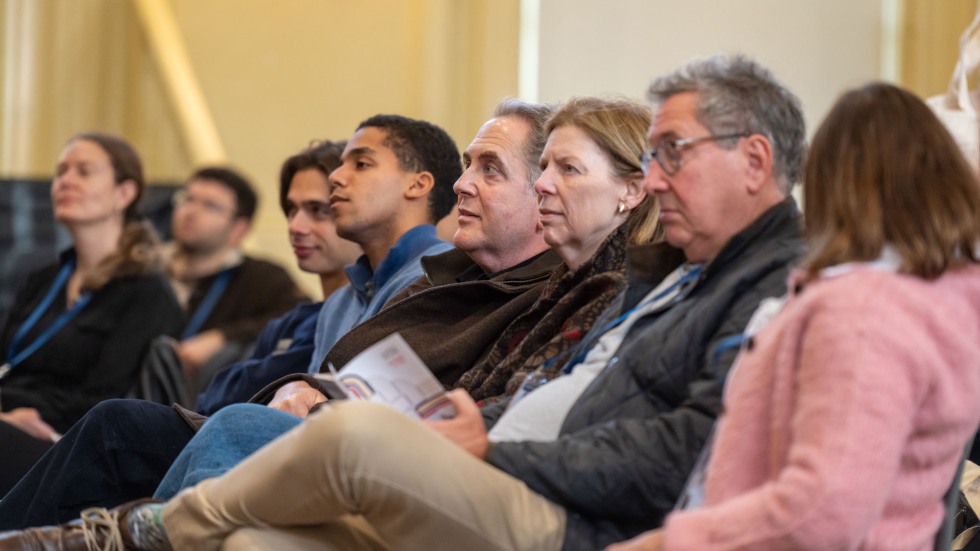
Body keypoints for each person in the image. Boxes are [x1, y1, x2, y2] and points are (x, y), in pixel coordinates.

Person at [0, 54, 809, 550]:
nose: (536, 187)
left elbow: (674, 449)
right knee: (246, 526)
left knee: (277, 427)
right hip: (506, 467)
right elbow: (545, 393)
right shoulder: (663, 282)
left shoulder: (717, 284)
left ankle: (123, 534)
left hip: (546, 501)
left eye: (559, 171)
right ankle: (116, 534)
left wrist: (484, 442)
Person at [0, 113, 465, 528]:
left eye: (360, 164)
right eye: (292, 208)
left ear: (417, 184)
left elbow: (388, 404)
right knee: (126, 426)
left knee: (132, 422)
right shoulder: (343, 302)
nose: (338, 178)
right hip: (294, 438)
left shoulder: (437, 276)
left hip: (353, 455)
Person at [607, 83, 980, 551]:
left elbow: (823, 511)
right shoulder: (940, 303)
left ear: (830, 183)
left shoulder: (864, 314)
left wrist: (670, 542)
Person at [0, 133, 183, 494]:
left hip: (72, 445)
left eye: (84, 171)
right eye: (61, 171)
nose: (65, 181)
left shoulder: (146, 291)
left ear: (124, 194)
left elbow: (102, 402)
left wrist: (13, 412)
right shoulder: (43, 279)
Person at [456, 96, 661, 401]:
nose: (542, 184)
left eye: (568, 169)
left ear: (632, 190)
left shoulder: (628, 292)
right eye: (543, 167)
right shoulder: (565, 283)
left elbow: (538, 413)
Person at [194, 140, 361, 413]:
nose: (295, 226)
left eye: (318, 210)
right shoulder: (293, 322)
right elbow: (214, 398)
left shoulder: (372, 317)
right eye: (292, 209)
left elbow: (235, 395)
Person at [164, 167, 307, 387]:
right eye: (188, 198)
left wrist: (222, 336)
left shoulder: (261, 277)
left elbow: (301, 315)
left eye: (210, 206)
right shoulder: (146, 267)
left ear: (239, 228)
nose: (190, 211)